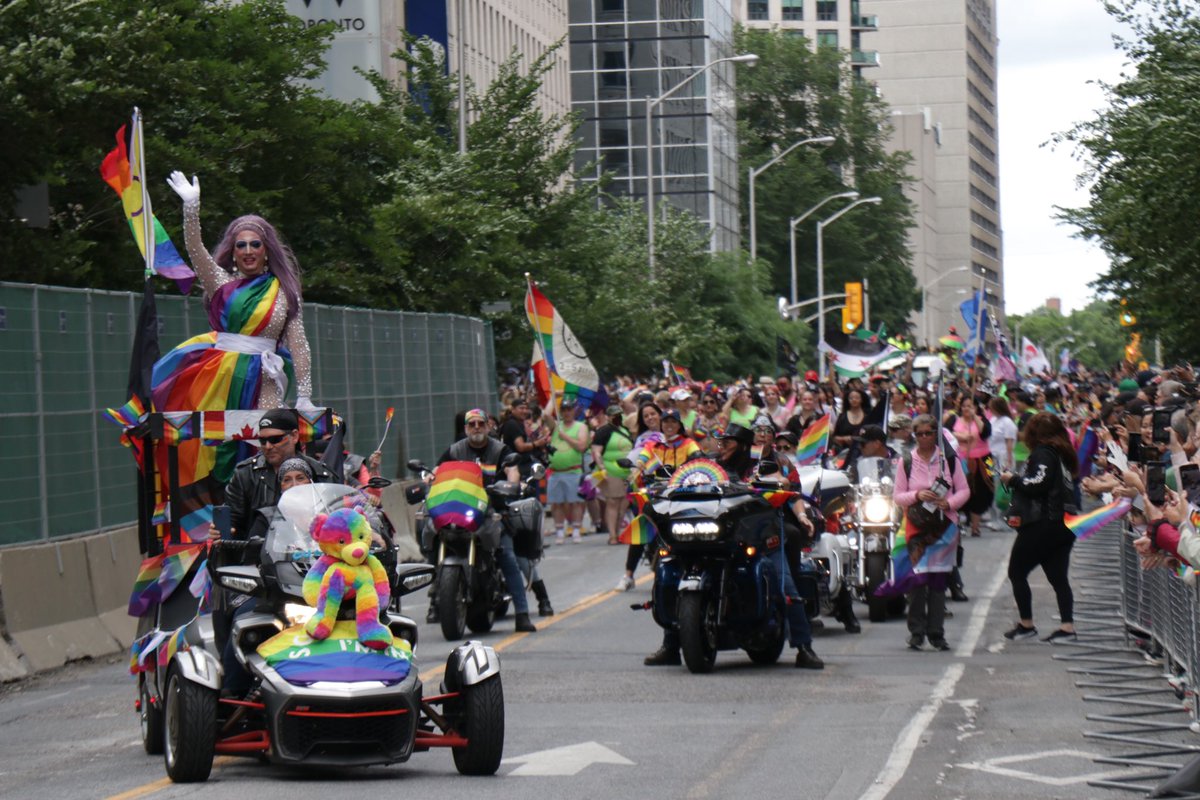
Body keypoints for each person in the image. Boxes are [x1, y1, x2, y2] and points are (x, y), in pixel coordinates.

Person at [155, 172, 317, 485]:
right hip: (218, 379)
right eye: (241, 245)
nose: (247, 250)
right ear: (234, 251)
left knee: (272, 443)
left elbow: (299, 343)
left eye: (255, 244)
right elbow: (195, 249)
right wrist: (191, 208)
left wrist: (306, 395)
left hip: (264, 379)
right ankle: (222, 517)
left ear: (266, 248)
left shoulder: (284, 290)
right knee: (216, 448)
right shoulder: (220, 281)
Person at [644, 423, 824, 669]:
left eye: (728, 442)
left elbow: (791, 491)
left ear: (742, 444)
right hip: (715, 535)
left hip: (758, 535)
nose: (722, 447)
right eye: (721, 442)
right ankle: (671, 646)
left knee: (786, 587)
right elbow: (684, 481)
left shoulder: (766, 463)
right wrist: (661, 485)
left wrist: (799, 512)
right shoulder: (710, 465)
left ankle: (804, 647)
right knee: (674, 569)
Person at [437, 408, 543, 633]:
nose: (476, 428)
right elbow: (440, 471)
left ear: (488, 426)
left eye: (480, 424)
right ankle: (436, 601)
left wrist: (513, 484)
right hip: (462, 510)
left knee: (507, 557)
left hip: (492, 511)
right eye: (471, 424)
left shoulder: (500, 449)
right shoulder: (456, 450)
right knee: (432, 536)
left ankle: (522, 614)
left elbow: (512, 469)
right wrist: (430, 478)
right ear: (465, 428)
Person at [998, 412, 1080, 643]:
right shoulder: (1063, 454)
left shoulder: (1044, 453)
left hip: (1043, 523)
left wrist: (1012, 479)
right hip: (1064, 524)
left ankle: (1027, 624)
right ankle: (1067, 627)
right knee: (1058, 577)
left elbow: (1038, 483)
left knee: (1017, 571)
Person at [893, 414, 970, 651]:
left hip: (944, 526)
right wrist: (917, 495)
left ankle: (937, 633)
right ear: (914, 436)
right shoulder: (906, 461)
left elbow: (964, 490)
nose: (924, 438)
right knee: (917, 581)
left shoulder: (949, 460)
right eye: (920, 434)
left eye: (929, 433)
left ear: (935, 434)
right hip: (916, 526)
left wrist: (950, 503)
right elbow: (897, 496)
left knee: (937, 582)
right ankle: (916, 632)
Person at [616, 406, 699, 591]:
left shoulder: (688, 443)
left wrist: (697, 460)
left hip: (683, 494)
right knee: (644, 523)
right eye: (666, 422)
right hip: (658, 494)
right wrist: (637, 466)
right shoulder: (653, 445)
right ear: (661, 425)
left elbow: (697, 458)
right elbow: (642, 459)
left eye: (673, 422)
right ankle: (628, 575)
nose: (669, 426)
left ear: (679, 425)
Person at [221, 409, 336, 539]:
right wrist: (222, 530)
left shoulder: (321, 474)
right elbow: (232, 522)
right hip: (254, 555)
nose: (268, 446)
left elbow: (335, 522)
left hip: (311, 553)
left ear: (294, 436)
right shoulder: (245, 474)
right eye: (263, 441)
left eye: (275, 439)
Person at [546, 401, 591, 544]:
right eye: (564, 410)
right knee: (556, 503)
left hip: (573, 470)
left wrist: (564, 436)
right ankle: (560, 531)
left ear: (574, 411)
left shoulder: (581, 427)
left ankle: (576, 529)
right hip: (556, 472)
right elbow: (546, 415)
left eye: (569, 409)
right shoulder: (556, 426)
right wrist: (553, 400)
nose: (566, 413)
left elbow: (582, 446)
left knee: (576, 502)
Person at [950, 395, 994, 538]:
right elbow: (947, 434)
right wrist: (959, 436)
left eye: (970, 406)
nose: (966, 409)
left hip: (983, 460)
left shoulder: (982, 420)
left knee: (981, 493)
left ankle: (976, 527)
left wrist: (975, 416)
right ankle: (961, 523)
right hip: (962, 461)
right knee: (962, 492)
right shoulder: (954, 420)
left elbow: (985, 433)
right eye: (964, 406)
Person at [592, 405, 635, 546]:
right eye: (614, 415)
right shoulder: (603, 432)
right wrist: (602, 467)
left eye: (619, 415)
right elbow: (596, 451)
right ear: (608, 416)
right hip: (611, 470)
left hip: (628, 473)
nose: (617, 417)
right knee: (612, 502)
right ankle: (612, 535)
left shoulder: (625, 431)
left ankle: (618, 532)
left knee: (623, 504)